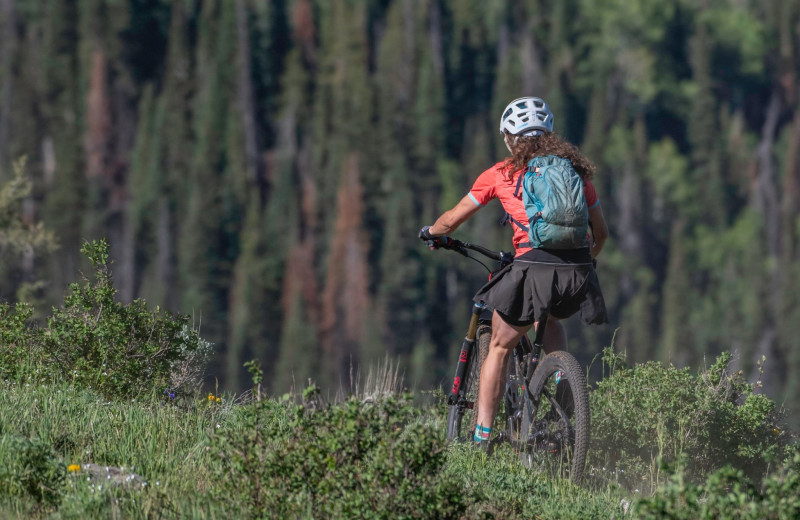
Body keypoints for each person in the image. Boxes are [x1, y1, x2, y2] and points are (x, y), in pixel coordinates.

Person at [419, 96, 608, 445]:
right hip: (578, 271)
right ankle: (560, 383)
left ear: (509, 137)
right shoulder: (575, 172)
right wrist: (582, 261)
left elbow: (450, 221)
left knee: (501, 348)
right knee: (549, 318)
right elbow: (601, 234)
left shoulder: (501, 174)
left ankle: (482, 436)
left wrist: (432, 233)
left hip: (532, 267)